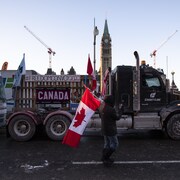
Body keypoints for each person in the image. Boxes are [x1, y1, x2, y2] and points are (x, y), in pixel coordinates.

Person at [99, 95, 122, 167]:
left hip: (104, 129)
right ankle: (106, 157)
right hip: (111, 130)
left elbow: (101, 116)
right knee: (114, 144)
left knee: (107, 144)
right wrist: (121, 110)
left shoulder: (103, 108)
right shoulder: (111, 109)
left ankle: (104, 158)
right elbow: (117, 117)